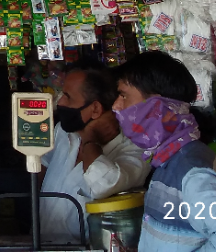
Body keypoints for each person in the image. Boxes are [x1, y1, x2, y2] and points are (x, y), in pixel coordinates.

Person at [112, 51, 216, 252]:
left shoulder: (192, 172)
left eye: (124, 95)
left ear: (156, 108)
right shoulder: (168, 160)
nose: (116, 106)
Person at [39, 62, 149, 244]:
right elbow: (43, 164)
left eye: (68, 97)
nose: (60, 103)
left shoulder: (134, 149)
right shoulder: (63, 132)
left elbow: (104, 184)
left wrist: (91, 139)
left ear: (96, 109)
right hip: (44, 242)